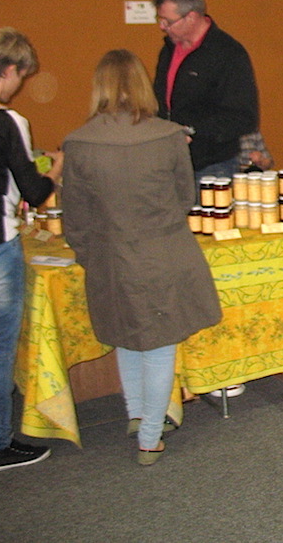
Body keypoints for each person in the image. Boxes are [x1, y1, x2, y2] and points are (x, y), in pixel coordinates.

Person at [62, 49, 222, 465]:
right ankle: (150, 436)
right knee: (159, 346)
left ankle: (138, 417)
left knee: (127, 340)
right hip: (162, 252)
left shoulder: (77, 143)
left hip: (109, 256)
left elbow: (74, 217)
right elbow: (185, 198)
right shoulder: (168, 136)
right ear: (141, 85)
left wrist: (91, 254)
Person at [0, 28, 62, 473]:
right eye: (20, 76)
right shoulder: (7, 122)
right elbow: (35, 192)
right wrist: (57, 168)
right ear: (8, 70)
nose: (18, 85)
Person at [151, 0, 259, 182]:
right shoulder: (168, 50)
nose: (162, 27)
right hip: (170, 163)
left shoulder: (228, 53)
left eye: (168, 21)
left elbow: (243, 118)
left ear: (191, 17)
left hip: (212, 167)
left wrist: (193, 131)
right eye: (160, 19)